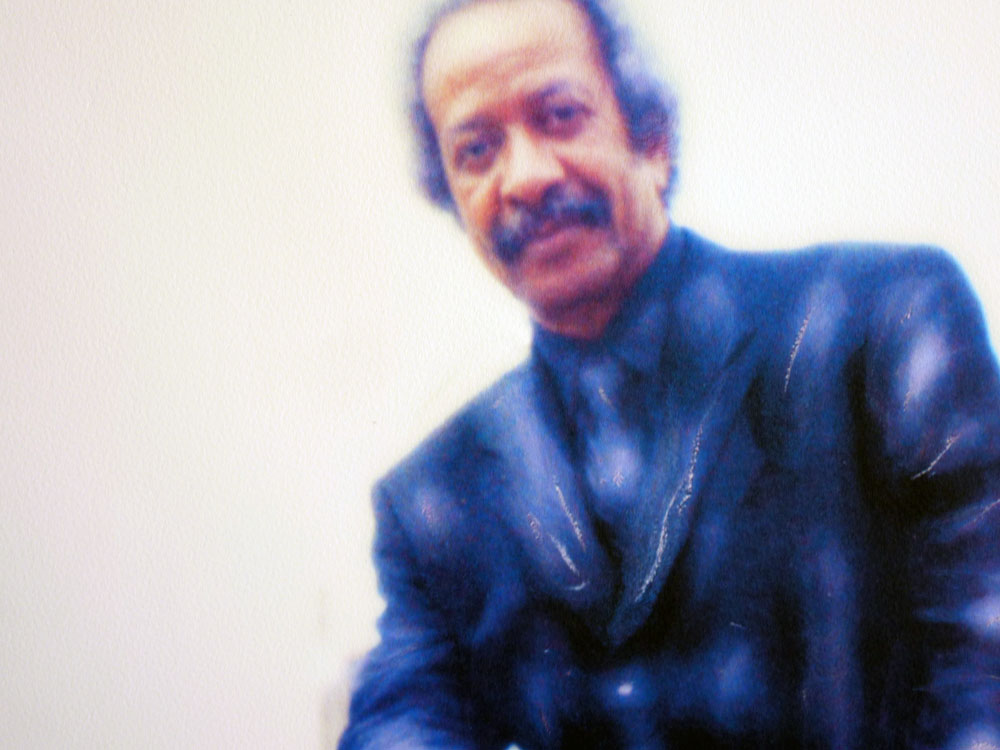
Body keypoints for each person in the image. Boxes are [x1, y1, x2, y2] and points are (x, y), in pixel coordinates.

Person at [340, 0, 1000, 747]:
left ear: (651, 140)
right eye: (476, 150)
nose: (522, 177)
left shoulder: (882, 324)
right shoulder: (432, 503)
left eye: (559, 115)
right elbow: (397, 724)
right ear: (454, 199)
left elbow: (983, 664)